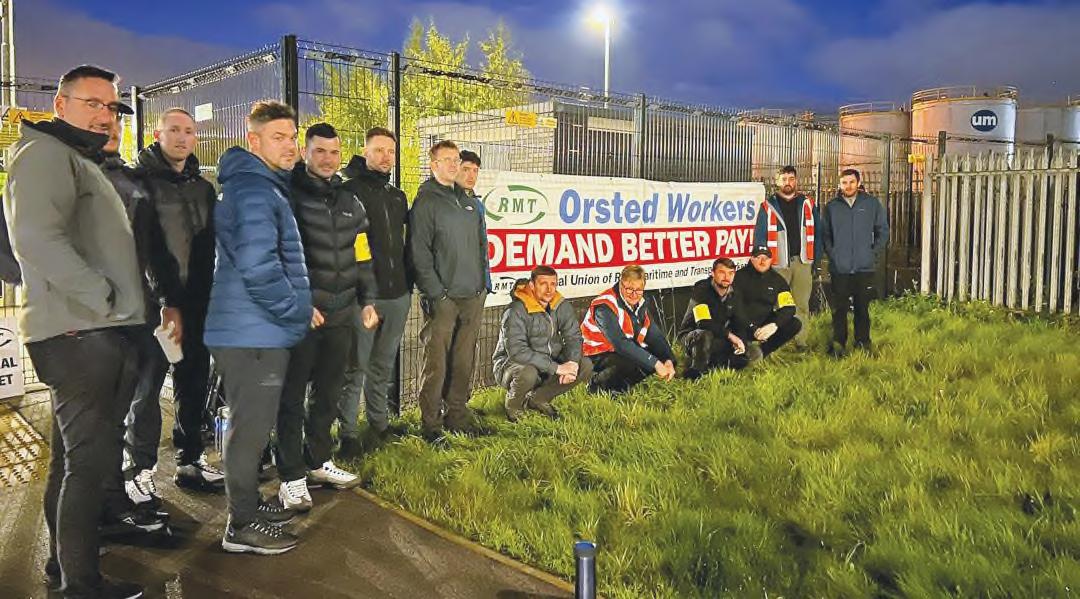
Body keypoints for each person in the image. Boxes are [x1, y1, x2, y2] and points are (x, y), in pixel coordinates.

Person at [6, 64, 146, 598]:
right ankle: (81, 586)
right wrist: (101, 297)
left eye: (110, 106)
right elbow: (36, 240)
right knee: (88, 467)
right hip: (80, 333)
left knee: (71, 463)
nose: (105, 115)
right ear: (60, 105)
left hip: (88, 329)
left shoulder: (74, 157)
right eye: (92, 103)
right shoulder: (45, 154)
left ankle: (64, 570)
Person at [204, 100, 311, 555]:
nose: (290, 146)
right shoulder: (253, 190)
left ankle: (247, 506)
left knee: (252, 426)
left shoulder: (260, 186)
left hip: (253, 328)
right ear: (254, 141)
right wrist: (294, 310)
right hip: (252, 331)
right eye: (278, 137)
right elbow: (258, 265)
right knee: (249, 430)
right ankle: (241, 526)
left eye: (292, 137)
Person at [124, 108, 224, 504]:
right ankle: (139, 471)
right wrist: (165, 301)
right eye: (174, 130)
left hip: (197, 303)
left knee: (193, 381)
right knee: (147, 388)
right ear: (157, 134)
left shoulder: (203, 187)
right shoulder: (140, 183)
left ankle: (190, 460)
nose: (182, 138)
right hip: (156, 308)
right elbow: (144, 249)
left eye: (189, 131)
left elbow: (209, 245)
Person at [275, 123, 376, 511]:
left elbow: (362, 255)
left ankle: (317, 461)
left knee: (328, 393)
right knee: (291, 396)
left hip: (341, 313)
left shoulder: (350, 200)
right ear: (305, 151)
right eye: (320, 151)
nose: (328, 159)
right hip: (301, 316)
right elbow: (279, 256)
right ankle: (290, 476)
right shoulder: (289, 195)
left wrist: (367, 300)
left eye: (334, 152)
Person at [409, 140, 491, 441]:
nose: (455, 165)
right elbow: (419, 253)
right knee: (436, 363)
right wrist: (437, 295)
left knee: (463, 361)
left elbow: (481, 247)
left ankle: (457, 415)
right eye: (448, 160)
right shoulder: (426, 202)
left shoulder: (469, 203)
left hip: (472, 295)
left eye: (457, 159)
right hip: (443, 299)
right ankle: (431, 425)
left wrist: (482, 286)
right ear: (434, 165)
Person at [337, 127, 411, 456]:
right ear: (365, 151)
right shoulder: (348, 192)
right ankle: (348, 434)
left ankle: (379, 424)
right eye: (379, 150)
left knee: (382, 365)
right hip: (364, 297)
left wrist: (407, 282)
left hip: (397, 294)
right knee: (356, 367)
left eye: (390, 151)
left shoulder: (397, 196)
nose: (385, 157)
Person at [492, 266, 591, 421]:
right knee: (528, 373)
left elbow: (573, 336)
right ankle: (514, 405)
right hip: (511, 365)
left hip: (548, 361)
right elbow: (518, 352)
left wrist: (572, 363)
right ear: (532, 285)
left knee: (584, 365)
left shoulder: (560, 305)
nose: (549, 289)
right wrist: (557, 368)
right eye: (543, 284)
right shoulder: (515, 311)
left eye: (553, 284)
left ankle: (538, 399)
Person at [820, 168, 889, 356]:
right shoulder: (831, 207)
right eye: (844, 182)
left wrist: (872, 253)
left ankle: (863, 343)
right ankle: (838, 344)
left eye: (851, 182)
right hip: (840, 268)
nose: (848, 186)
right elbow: (825, 234)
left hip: (864, 267)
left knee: (862, 308)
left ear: (858, 183)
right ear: (840, 184)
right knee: (839, 309)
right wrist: (833, 254)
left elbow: (883, 231)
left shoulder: (871, 204)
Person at [753, 165, 819, 349]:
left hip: (802, 261)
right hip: (778, 264)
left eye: (791, 179)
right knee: (778, 305)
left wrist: (815, 260)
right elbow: (759, 237)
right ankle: (778, 343)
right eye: (784, 179)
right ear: (777, 182)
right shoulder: (767, 206)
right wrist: (763, 264)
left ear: (796, 181)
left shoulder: (807, 204)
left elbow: (818, 233)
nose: (788, 183)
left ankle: (801, 342)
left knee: (801, 304)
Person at [581, 264, 675, 393]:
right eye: (629, 289)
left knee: (646, 358)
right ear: (621, 285)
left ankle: (620, 388)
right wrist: (655, 363)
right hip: (592, 353)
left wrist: (667, 359)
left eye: (639, 290)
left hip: (614, 350)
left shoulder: (640, 303)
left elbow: (654, 335)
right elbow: (620, 344)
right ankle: (595, 385)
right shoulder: (605, 305)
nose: (634, 295)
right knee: (633, 362)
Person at [677, 258, 748, 379]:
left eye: (730, 273)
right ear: (713, 273)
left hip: (718, 336)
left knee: (752, 352)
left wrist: (742, 344)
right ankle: (696, 372)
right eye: (722, 272)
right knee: (705, 335)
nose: (726, 277)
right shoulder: (701, 289)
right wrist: (731, 336)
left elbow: (740, 322)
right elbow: (703, 323)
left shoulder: (735, 293)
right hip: (694, 336)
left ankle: (714, 363)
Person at [733, 247, 802, 363]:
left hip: (764, 325)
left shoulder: (777, 280)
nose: (762, 261)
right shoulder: (738, 277)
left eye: (766, 258)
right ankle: (744, 351)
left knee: (794, 323)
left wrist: (774, 325)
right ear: (751, 259)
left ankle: (762, 352)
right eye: (758, 257)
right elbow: (735, 308)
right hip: (741, 324)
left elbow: (789, 308)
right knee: (739, 361)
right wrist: (752, 327)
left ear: (771, 260)